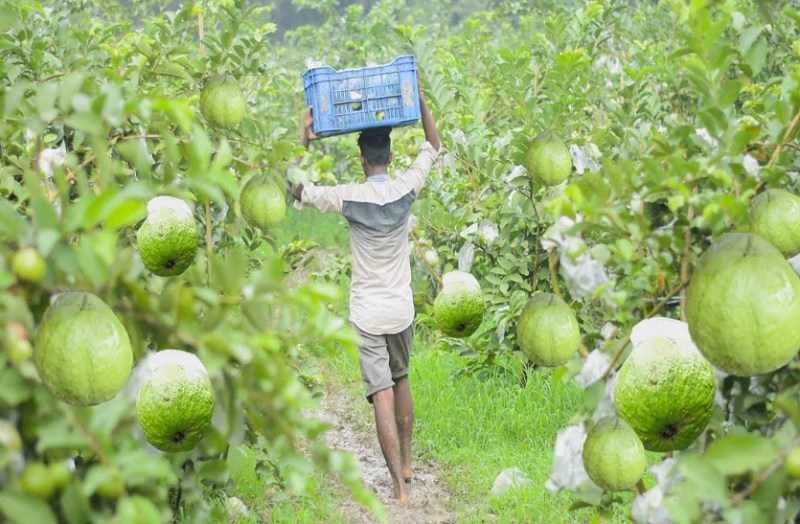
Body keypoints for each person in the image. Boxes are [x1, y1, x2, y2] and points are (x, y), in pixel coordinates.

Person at [289, 71, 441, 505]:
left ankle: (396, 486)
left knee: (381, 393)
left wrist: (304, 137)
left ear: (362, 159)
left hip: (367, 315)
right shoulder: (405, 187)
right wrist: (421, 101)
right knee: (403, 377)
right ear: (390, 155)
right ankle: (409, 463)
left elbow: (297, 190)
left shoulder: (350, 195)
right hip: (400, 309)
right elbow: (433, 147)